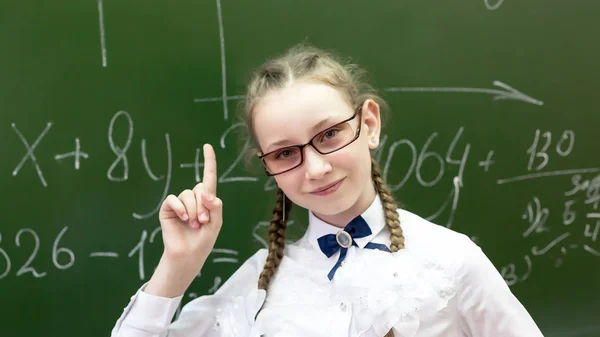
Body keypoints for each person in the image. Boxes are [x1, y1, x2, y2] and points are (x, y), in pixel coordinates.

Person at [111, 44, 544, 337]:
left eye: (330, 134)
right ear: (269, 166)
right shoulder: (258, 284)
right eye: (284, 154)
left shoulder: (450, 260)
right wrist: (177, 267)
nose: (316, 168)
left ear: (368, 124)